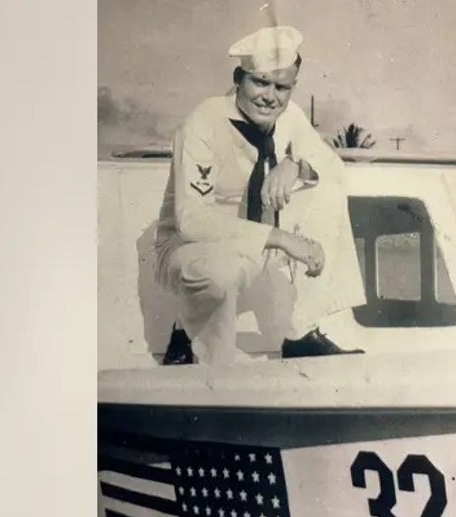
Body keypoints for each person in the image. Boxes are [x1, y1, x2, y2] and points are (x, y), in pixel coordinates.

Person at [154, 26, 367, 365]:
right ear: (238, 79)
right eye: (260, 83)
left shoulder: (289, 116)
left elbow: (333, 167)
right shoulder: (203, 122)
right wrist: (280, 238)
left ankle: (300, 333)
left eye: (281, 87)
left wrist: (296, 165)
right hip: (193, 246)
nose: (270, 97)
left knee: (327, 192)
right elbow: (192, 221)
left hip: (256, 240)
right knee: (219, 274)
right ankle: (188, 338)